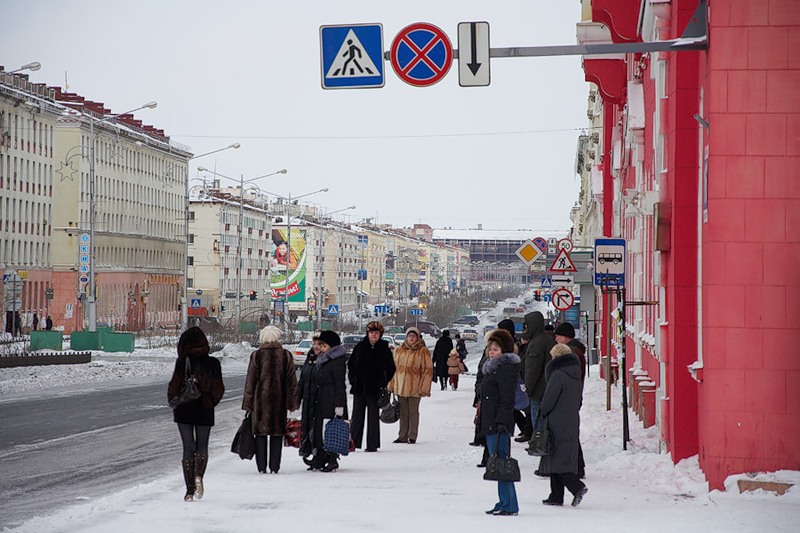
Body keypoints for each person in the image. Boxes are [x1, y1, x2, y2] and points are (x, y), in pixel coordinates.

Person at [167, 327, 225, 502]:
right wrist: (209, 402)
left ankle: (189, 491)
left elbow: (174, 386)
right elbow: (219, 389)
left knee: (188, 448)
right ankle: (199, 475)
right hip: (204, 410)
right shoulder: (213, 363)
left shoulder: (182, 362)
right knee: (202, 447)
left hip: (184, 410)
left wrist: (174, 400)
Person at [242, 325, 299, 474]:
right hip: (279, 401)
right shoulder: (286, 355)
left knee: (260, 435)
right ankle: (275, 467)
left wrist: (248, 405)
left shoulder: (256, 356)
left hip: (260, 403)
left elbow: (250, 382)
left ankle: (261, 468)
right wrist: (292, 402)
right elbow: (292, 382)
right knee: (277, 435)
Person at [539, 343, 588, 507]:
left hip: (556, 420)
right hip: (571, 419)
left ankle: (576, 487)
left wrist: (542, 410)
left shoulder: (558, 375)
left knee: (557, 456)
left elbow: (549, 399)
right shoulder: (575, 374)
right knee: (558, 456)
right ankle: (556, 495)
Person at [480, 328, 521, 516]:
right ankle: (503, 501)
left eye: (495, 349)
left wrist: (502, 421)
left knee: (502, 463)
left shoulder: (505, 369)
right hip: (491, 421)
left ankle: (510, 504)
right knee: (498, 463)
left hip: (498, 423)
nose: (491, 352)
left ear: (503, 351)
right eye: (490, 348)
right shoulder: (494, 368)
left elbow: (507, 399)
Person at [299, 330, 348, 472]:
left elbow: (340, 384)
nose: (321, 348)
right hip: (321, 399)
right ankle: (320, 458)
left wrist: (339, 406)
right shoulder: (324, 359)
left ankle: (332, 460)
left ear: (332, 346)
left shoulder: (337, 361)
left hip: (332, 400)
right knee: (320, 430)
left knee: (332, 430)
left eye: (324, 345)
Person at [348, 321, 396, 452]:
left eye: (376, 333)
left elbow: (391, 368)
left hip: (375, 388)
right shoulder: (360, 347)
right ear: (367, 334)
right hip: (359, 387)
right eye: (371, 332)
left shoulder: (384, 349)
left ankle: (372, 444)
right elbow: (351, 364)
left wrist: (383, 381)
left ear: (380, 334)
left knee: (373, 417)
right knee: (357, 416)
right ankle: (353, 443)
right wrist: (353, 379)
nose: (373, 335)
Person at [387, 327, 433, 444]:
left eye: (413, 336)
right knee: (403, 412)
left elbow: (427, 370)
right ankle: (402, 436)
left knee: (413, 411)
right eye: (409, 335)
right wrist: (391, 385)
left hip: (415, 387)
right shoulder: (399, 350)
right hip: (401, 386)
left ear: (417, 338)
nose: (411, 338)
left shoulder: (422, 351)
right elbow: (392, 369)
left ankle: (412, 436)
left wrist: (424, 388)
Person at [554, 322, 587, 478]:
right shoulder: (575, 351)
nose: (556, 339)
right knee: (570, 433)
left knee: (568, 434)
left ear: (566, 337)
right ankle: (577, 466)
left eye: (559, 336)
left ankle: (576, 468)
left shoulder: (571, 353)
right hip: (572, 396)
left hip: (568, 397)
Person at [522, 311, 555, 435]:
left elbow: (532, 369)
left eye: (526, 326)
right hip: (546, 387)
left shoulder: (536, 343)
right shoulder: (545, 339)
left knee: (538, 420)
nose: (525, 329)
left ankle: (540, 444)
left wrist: (528, 389)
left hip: (538, 390)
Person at [297, 332, 322, 461]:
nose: (316, 346)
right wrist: (297, 398)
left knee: (317, 429)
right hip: (308, 400)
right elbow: (302, 380)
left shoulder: (326, 360)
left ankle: (319, 456)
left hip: (320, 402)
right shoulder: (309, 358)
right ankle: (309, 450)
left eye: (319, 344)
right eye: (314, 343)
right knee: (307, 426)